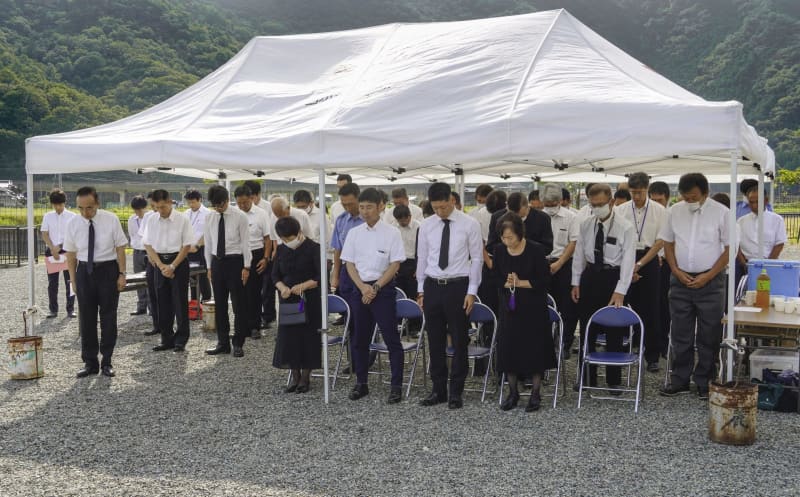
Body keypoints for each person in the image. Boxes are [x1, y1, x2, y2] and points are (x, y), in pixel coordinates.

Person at [659, 173, 730, 399]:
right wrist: (676, 270)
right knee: (681, 332)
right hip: (680, 279)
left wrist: (708, 276)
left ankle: (705, 380)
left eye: (693, 197)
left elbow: (730, 249)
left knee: (709, 333)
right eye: (685, 197)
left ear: (705, 193)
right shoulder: (674, 211)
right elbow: (667, 243)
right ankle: (680, 379)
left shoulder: (722, 213)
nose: (688, 201)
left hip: (711, 280)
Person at [417, 182, 483, 409]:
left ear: (452, 201)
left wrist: (472, 291)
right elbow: (422, 257)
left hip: (458, 285)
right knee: (434, 340)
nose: (439, 212)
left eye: (443, 207)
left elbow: (477, 259)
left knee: (459, 339)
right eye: (435, 208)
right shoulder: (426, 225)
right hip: (433, 284)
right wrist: (420, 288)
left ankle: (456, 391)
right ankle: (438, 389)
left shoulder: (470, 224)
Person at [341, 188, 406, 403]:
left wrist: (375, 288)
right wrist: (362, 287)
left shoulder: (392, 232)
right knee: (359, 338)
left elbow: (395, 263)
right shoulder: (354, 233)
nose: (365, 211)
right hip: (359, 289)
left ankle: (396, 385)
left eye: (369, 207)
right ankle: (361, 382)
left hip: (383, 290)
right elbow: (349, 263)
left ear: (380, 207)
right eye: (361, 207)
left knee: (391, 339)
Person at [571, 183, 636, 393]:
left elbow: (628, 260)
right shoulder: (586, 223)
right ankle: (587, 376)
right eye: (593, 204)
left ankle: (613, 379)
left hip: (613, 277)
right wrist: (576, 281)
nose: (597, 207)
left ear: (611, 201)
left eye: (601, 204)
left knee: (614, 331)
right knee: (587, 327)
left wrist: (621, 290)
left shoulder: (625, 226)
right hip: (590, 276)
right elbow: (579, 254)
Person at [490, 212, 555, 412]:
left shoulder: (535, 250)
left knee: (534, 349)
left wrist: (521, 283)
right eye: (503, 237)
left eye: (510, 237)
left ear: (520, 233)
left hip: (533, 307)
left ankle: (535, 393)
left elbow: (544, 280)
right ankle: (512, 392)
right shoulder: (499, 251)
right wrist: (507, 282)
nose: (506, 241)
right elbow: (495, 277)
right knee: (509, 349)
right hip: (509, 307)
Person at [64, 186, 128, 377]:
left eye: (89, 207)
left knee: (109, 316)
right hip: (84, 271)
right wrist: (73, 280)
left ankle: (107, 361)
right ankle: (90, 362)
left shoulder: (111, 219)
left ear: (97, 204)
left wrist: (122, 273)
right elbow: (71, 254)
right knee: (87, 318)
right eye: (81, 208)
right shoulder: (73, 223)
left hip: (108, 269)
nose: (85, 212)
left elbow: (120, 248)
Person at [615, 172, 667, 373]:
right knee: (621, 305)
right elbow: (618, 240)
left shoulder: (659, 210)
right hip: (624, 256)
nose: (636, 196)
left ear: (647, 189)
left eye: (640, 192)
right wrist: (628, 267)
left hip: (649, 258)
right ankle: (620, 349)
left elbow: (660, 240)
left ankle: (652, 355)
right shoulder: (620, 210)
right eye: (633, 192)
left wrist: (640, 265)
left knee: (651, 309)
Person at [272, 216, 322, 393]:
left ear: (299, 233)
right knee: (289, 337)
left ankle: (306, 378)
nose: (288, 242)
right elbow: (274, 275)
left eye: (290, 238)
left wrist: (305, 285)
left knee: (308, 336)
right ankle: (294, 376)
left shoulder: (314, 248)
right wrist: (282, 287)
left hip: (309, 299)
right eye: (284, 239)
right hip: (288, 298)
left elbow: (321, 275)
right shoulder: (280, 250)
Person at [142, 189, 195, 352]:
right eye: (157, 207)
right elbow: (147, 244)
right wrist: (160, 265)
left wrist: (172, 266)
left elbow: (187, 245)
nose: (160, 210)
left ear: (170, 201)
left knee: (179, 301)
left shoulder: (182, 219)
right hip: (159, 262)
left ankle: (181, 339)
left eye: (163, 207)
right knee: (161, 302)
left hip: (178, 261)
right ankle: (166, 338)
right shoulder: (151, 219)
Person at [203, 185, 252, 358]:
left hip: (235, 262)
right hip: (217, 263)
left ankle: (238, 342)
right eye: (215, 205)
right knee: (220, 305)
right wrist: (209, 267)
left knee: (239, 305)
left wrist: (246, 266)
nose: (218, 208)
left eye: (221, 204)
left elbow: (246, 243)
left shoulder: (240, 216)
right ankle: (222, 342)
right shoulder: (209, 217)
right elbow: (208, 244)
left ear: (226, 200)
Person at [540, 183, 579, 359]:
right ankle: (545, 343)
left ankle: (564, 343)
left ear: (560, 201)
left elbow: (574, 242)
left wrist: (560, 262)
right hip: (541, 265)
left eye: (553, 203)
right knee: (542, 305)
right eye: (546, 204)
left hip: (563, 265)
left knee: (567, 307)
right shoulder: (538, 217)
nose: (550, 207)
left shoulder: (571, 217)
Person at [234, 185, 271, 339]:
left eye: (245, 202)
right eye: (239, 203)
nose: (242, 206)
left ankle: (254, 325)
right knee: (238, 293)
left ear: (252, 198)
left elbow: (267, 238)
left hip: (256, 254)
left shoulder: (261, 214)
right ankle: (240, 327)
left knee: (254, 293)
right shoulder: (234, 213)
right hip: (238, 255)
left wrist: (265, 258)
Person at [736, 184, 786, 284]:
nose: (754, 205)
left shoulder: (776, 220)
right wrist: (743, 263)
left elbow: (779, 244)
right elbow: (735, 245)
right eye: (751, 202)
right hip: (745, 266)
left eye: (758, 202)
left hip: (768, 265)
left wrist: (767, 264)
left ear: (766, 201)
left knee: (764, 294)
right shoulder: (741, 221)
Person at [41, 188, 77, 318]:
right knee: (52, 283)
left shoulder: (72, 216)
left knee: (70, 281)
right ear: (52, 204)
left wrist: (60, 247)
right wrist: (52, 248)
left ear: (64, 203)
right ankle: (53, 310)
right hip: (52, 251)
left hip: (68, 250)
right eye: (55, 204)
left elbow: (74, 235)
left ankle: (70, 309)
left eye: (60, 204)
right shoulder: (48, 216)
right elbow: (44, 233)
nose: (58, 207)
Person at [648, 180, 671, 356]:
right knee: (650, 305)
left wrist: (662, 256)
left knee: (663, 305)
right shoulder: (647, 214)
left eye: (660, 200)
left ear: (667, 199)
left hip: (667, 264)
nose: (656, 204)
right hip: (648, 262)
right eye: (653, 199)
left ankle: (663, 343)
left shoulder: (672, 214)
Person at [183, 189, 212, 303]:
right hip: (188, 249)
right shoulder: (185, 213)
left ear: (200, 200)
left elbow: (209, 233)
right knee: (191, 275)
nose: (191, 205)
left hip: (202, 248)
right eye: (189, 202)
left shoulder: (208, 213)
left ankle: (206, 300)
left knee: (203, 275)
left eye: (193, 202)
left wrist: (198, 245)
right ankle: (194, 302)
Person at [141, 192, 161, 336]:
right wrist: (150, 254)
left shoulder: (168, 216)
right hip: (151, 259)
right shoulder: (148, 217)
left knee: (165, 294)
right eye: (151, 205)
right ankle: (156, 325)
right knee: (152, 292)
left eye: (155, 205)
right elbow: (144, 238)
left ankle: (167, 325)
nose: (153, 208)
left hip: (164, 258)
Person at [127, 195, 149, 316]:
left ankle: (152, 307)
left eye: (140, 210)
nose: (138, 212)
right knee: (138, 280)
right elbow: (132, 235)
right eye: (135, 210)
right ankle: (141, 306)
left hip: (148, 251)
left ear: (145, 208)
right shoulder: (131, 219)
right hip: (137, 251)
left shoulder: (150, 218)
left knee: (150, 279)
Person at [393, 204, 420, 302]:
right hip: (398, 264)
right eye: (400, 221)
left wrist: (419, 267)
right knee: (399, 294)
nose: (403, 223)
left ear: (410, 216)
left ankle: (414, 317)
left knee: (413, 295)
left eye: (405, 220)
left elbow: (423, 249)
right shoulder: (393, 229)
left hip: (414, 263)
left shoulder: (419, 227)